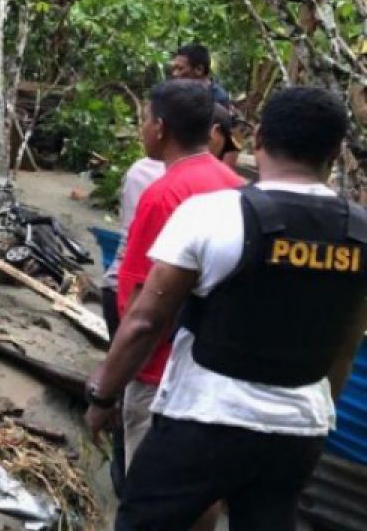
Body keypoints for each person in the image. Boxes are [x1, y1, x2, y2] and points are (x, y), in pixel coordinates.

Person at [85, 87, 367, 530]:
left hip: (204, 422)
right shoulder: (359, 232)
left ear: (258, 140)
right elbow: (345, 348)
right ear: (335, 153)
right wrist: (311, 414)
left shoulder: (212, 215)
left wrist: (103, 395)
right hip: (297, 434)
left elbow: (146, 320)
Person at [113, 81, 244, 470]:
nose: (143, 129)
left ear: (160, 128)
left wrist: (110, 384)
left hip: (158, 373)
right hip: (211, 371)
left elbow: (143, 306)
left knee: (146, 486)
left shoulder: (164, 193)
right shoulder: (237, 187)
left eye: (145, 120)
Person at [102, 153, 165, 493]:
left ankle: (125, 478)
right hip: (136, 296)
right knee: (136, 390)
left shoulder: (150, 175)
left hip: (130, 294)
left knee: (132, 389)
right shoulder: (223, 187)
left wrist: (100, 400)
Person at [171, 43, 233, 109]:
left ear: (199, 69)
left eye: (180, 69)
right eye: (174, 69)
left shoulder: (218, 99)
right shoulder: (179, 93)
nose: (175, 74)